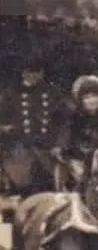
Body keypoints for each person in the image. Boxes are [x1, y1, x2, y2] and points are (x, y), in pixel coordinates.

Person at [0, 51, 69, 192]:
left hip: (47, 151)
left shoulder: (52, 94)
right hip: (17, 151)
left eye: (37, 72)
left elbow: (65, 124)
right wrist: (4, 128)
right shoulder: (9, 95)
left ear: (42, 73)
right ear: (22, 73)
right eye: (29, 72)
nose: (33, 76)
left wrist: (59, 145)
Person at [54, 75, 98, 189]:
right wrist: (66, 154)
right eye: (87, 97)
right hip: (82, 162)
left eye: (94, 96)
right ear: (81, 100)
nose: (92, 100)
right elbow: (64, 141)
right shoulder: (74, 119)